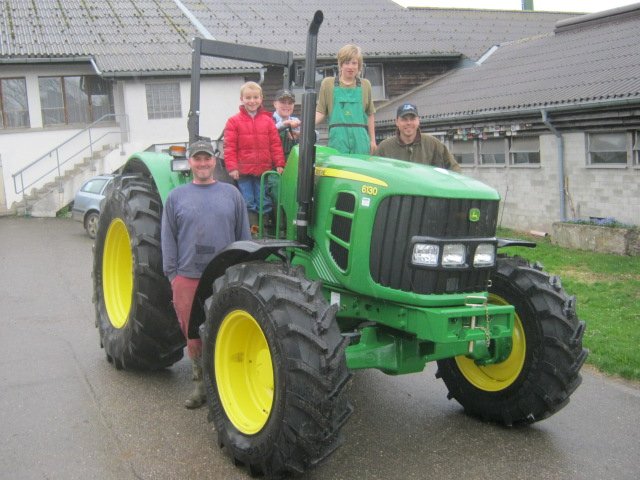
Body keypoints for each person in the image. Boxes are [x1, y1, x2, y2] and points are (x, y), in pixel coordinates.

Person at [161, 139, 251, 409]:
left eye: (207, 158)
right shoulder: (177, 197)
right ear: (190, 163)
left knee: (227, 330)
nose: (202, 163)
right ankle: (200, 386)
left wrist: (242, 269)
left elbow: (243, 236)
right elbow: (168, 238)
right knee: (194, 335)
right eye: (197, 159)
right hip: (187, 276)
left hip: (225, 275)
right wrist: (172, 275)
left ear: (215, 161)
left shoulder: (231, 194)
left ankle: (227, 388)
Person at [224, 81, 285, 223]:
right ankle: (251, 228)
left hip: (263, 170)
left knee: (263, 199)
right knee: (247, 199)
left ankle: (265, 227)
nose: (252, 101)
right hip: (243, 171)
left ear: (261, 98)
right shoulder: (233, 122)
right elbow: (229, 147)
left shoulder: (267, 121)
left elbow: (275, 144)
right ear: (242, 99)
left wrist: (279, 163)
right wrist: (232, 167)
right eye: (248, 98)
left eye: (255, 97)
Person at [315, 44, 377, 155]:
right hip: (338, 139)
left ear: (359, 65)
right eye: (347, 63)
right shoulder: (328, 84)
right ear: (341, 64)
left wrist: (372, 140)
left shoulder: (365, 85)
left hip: (361, 139)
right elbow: (320, 112)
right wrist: (304, 125)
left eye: (354, 63)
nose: (350, 67)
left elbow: (370, 114)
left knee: (359, 170)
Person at [374, 103, 461, 172]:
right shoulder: (384, 148)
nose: (408, 123)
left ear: (418, 121)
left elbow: (454, 168)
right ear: (397, 122)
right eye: (404, 119)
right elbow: (374, 172)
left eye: (412, 119)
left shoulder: (433, 144)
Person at [273, 88, 301, 158]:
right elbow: (267, 133)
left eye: (290, 103)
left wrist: (301, 134)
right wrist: (284, 124)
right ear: (275, 104)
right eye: (283, 102)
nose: (287, 105)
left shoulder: (296, 121)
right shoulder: (267, 120)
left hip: (292, 162)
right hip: (273, 164)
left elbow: (316, 135)